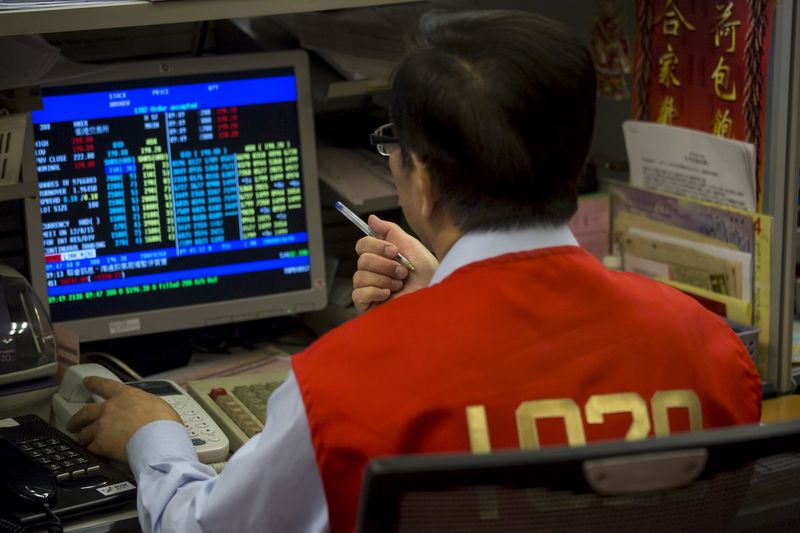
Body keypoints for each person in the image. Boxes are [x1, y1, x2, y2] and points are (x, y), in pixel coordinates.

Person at [67, 9, 761, 533]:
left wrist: (152, 433)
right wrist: (445, 295)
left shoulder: (341, 384)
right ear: (577, 152)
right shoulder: (712, 349)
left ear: (421, 182)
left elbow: (205, 527)